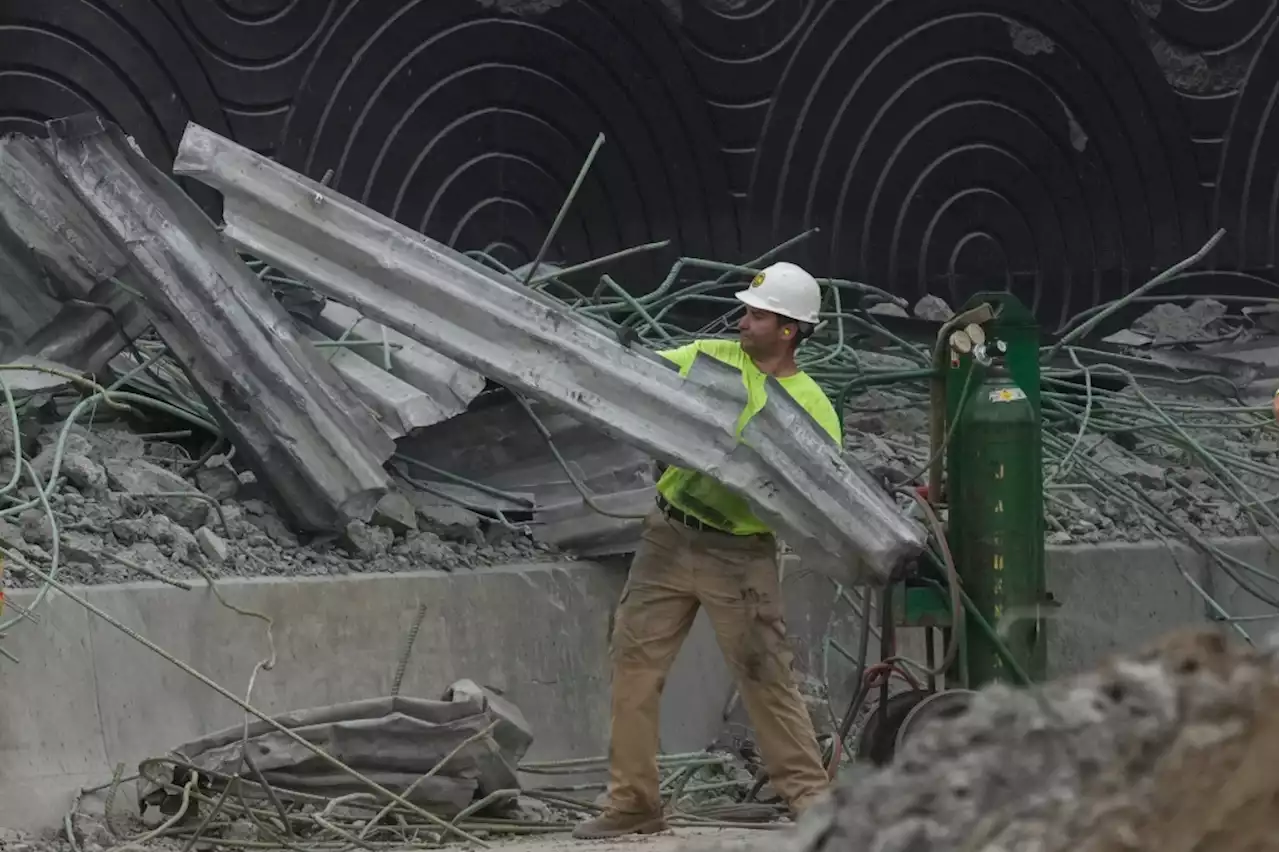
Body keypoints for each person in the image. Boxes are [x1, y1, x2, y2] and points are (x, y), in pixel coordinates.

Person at [572, 262, 842, 840]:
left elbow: (817, 495)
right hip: (668, 536)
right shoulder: (709, 358)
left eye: (757, 314)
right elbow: (643, 382)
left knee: (765, 676)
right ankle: (633, 802)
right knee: (634, 668)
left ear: (789, 329)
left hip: (739, 556)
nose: (743, 321)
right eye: (746, 311)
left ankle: (812, 802)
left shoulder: (810, 409)